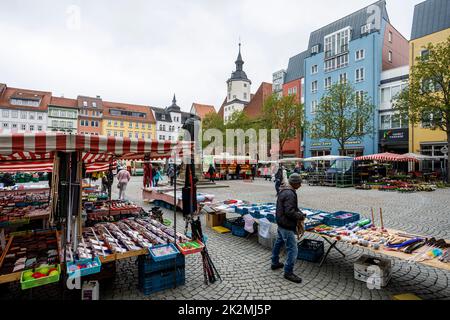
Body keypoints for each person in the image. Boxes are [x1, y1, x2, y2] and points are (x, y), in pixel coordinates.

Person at [271, 173, 305, 284]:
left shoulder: (284, 190)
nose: (300, 185)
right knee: (293, 249)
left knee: (278, 242)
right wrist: (300, 216)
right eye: (299, 183)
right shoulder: (290, 193)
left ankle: (275, 262)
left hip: (281, 223)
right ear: (295, 183)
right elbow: (289, 211)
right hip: (286, 224)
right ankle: (288, 272)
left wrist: (299, 212)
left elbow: (292, 207)